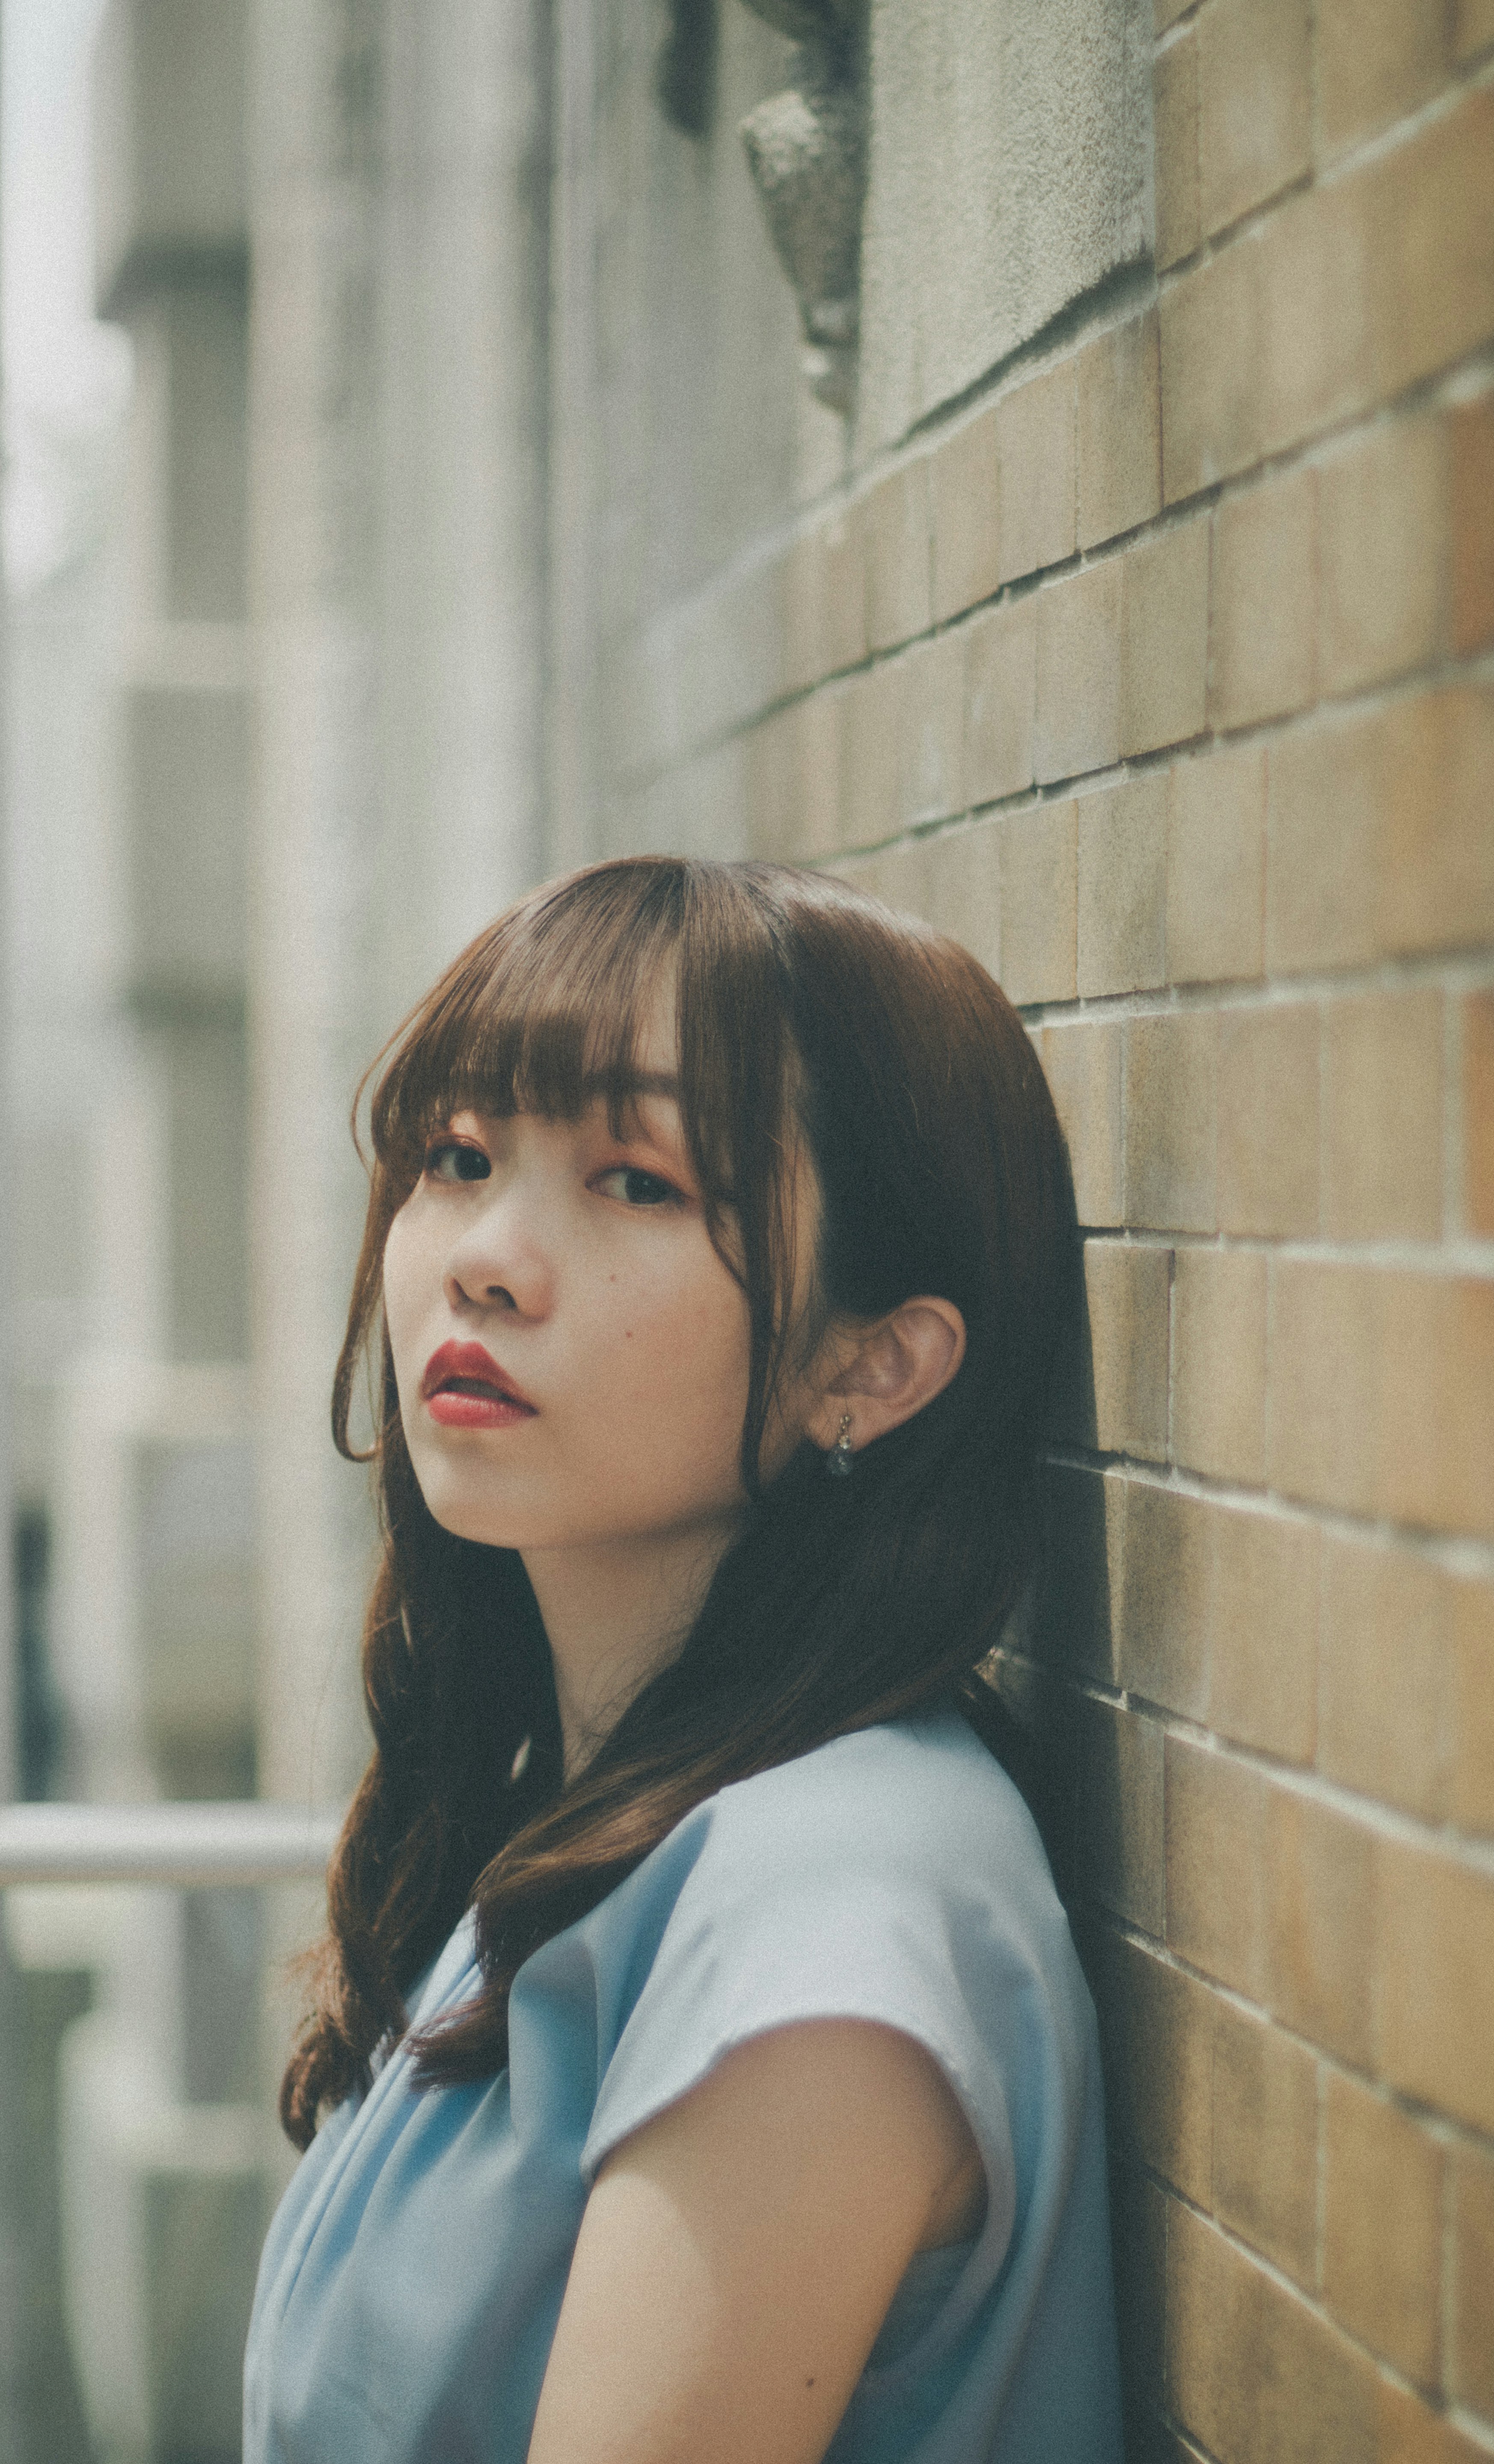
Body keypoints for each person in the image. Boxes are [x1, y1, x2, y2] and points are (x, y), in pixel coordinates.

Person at [242, 855, 1121, 2464]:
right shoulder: (628, 1808)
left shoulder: (830, 1915)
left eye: (637, 1181)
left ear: (874, 1363)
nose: (484, 1257)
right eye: (456, 1155)